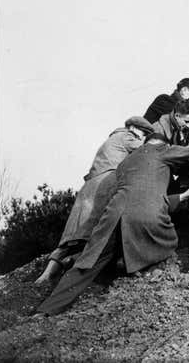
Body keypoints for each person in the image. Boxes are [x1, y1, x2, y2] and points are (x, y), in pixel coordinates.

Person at [37, 134, 189, 315]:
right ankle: (146, 271)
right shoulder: (162, 150)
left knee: (88, 262)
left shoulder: (125, 163)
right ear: (162, 143)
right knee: (168, 241)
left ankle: (47, 309)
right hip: (146, 218)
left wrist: (183, 195)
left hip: (112, 218)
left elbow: (138, 195)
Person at [34, 116, 155, 284]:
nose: (142, 137)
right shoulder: (127, 137)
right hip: (104, 186)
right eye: (143, 133)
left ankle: (47, 274)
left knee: (71, 235)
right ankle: (74, 267)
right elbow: (147, 150)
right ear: (134, 128)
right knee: (96, 230)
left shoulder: (112, 138)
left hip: (89, 186)